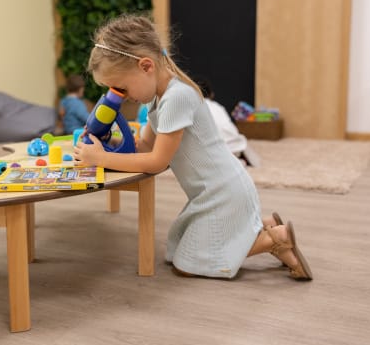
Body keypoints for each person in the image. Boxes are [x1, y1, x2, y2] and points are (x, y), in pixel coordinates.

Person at [74, 14, 312, 280]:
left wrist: (101, 158)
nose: (121, 97)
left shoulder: (177, 98)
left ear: (146, 66)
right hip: (209, 193)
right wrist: (110, 144)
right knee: (175, 251)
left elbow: (156, 162)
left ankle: (275, 239)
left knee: (189, 265)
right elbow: (143, 147)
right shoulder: (156, 100)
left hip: (223, 192)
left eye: (121, 88)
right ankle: (264, 226)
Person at [196, 78, 260, 167]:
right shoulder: (218, 107)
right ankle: (237, 160)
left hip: (215, 151)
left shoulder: (194, 108)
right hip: (237, 144)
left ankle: (232, 162)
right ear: (211, 94)